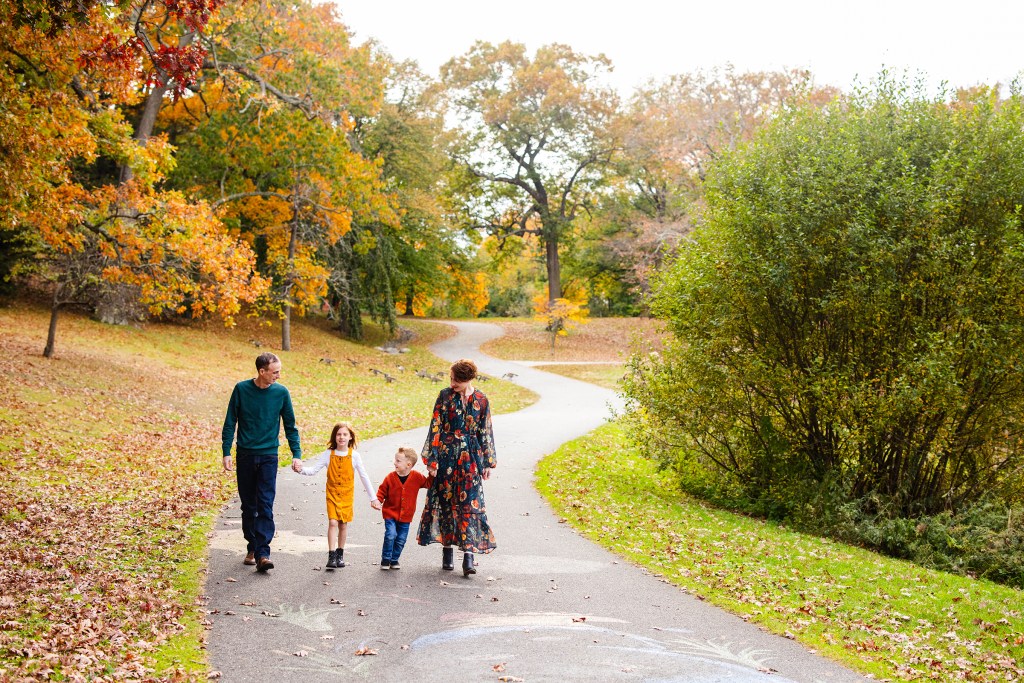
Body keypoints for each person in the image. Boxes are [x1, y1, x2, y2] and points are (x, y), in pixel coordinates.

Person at [222, 352, 302, 573]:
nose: (278, 375)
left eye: (279, 371)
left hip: (269, 455)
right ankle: (252, 545)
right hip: (246, 455)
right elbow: (230, 421)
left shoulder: (281, 393)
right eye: (275, 371)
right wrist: (226, 451)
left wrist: (296, 453)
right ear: (262, 371)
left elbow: (290, 426)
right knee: (249, 506)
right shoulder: (241, 389)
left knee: (265, 503)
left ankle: (263, 553)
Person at [417, 358, 496, 577]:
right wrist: (432, 460)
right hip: (446, 457)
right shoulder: (444, 396)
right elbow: (435, 427)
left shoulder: (481, 399)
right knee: (446, 502)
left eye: (456, 381)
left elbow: (485, 430)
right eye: (451, 379)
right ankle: (447, 551)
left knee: (469, 504)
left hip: (470, 458)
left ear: (468, 379)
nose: (452, 384)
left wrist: (488, 462)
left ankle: (469, 555)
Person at [296, 422, 381, 569]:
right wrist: (300, 469)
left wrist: (373, 498)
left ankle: (340, 555)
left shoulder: (354, 456)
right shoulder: (328, 454)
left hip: (347, 495)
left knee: (343, 524)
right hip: (332, 494)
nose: (341, 437)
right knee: (333, 522)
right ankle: (331, 555)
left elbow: (364, 476)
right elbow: (313, 470)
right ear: (335, 437)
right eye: (339, 434)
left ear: (350, 437)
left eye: (345, 434)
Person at [376, 446, 432, 570]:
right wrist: (378, 501)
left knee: (401, 539)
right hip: (390, 513)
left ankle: (394, 559)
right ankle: (386, 559)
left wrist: (432, 473)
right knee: (391, 535)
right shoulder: (390, 477)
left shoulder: (417, 477)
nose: (394, 463)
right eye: (395, 460)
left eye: (398, 461)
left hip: (406, 515)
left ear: (408, 464)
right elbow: (382, 491)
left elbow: (428, 483)